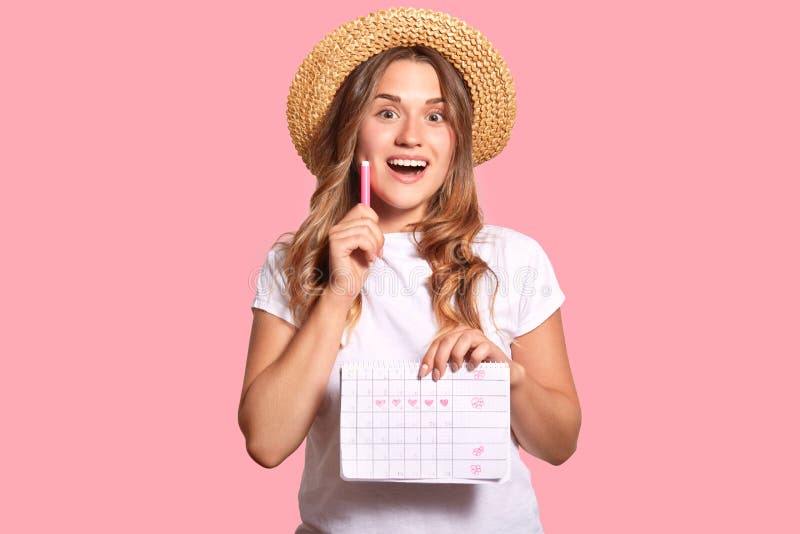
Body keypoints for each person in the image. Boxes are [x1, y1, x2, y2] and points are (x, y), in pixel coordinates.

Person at [238, 8, 581, 533]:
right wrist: (337, 294)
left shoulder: (514, 259)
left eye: (436, 116)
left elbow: (559, 445)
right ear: (354, 134)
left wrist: (507, 377)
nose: (412, 136)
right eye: (388, 112)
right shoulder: (296, 263)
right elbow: (265, 441)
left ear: (455, 142)